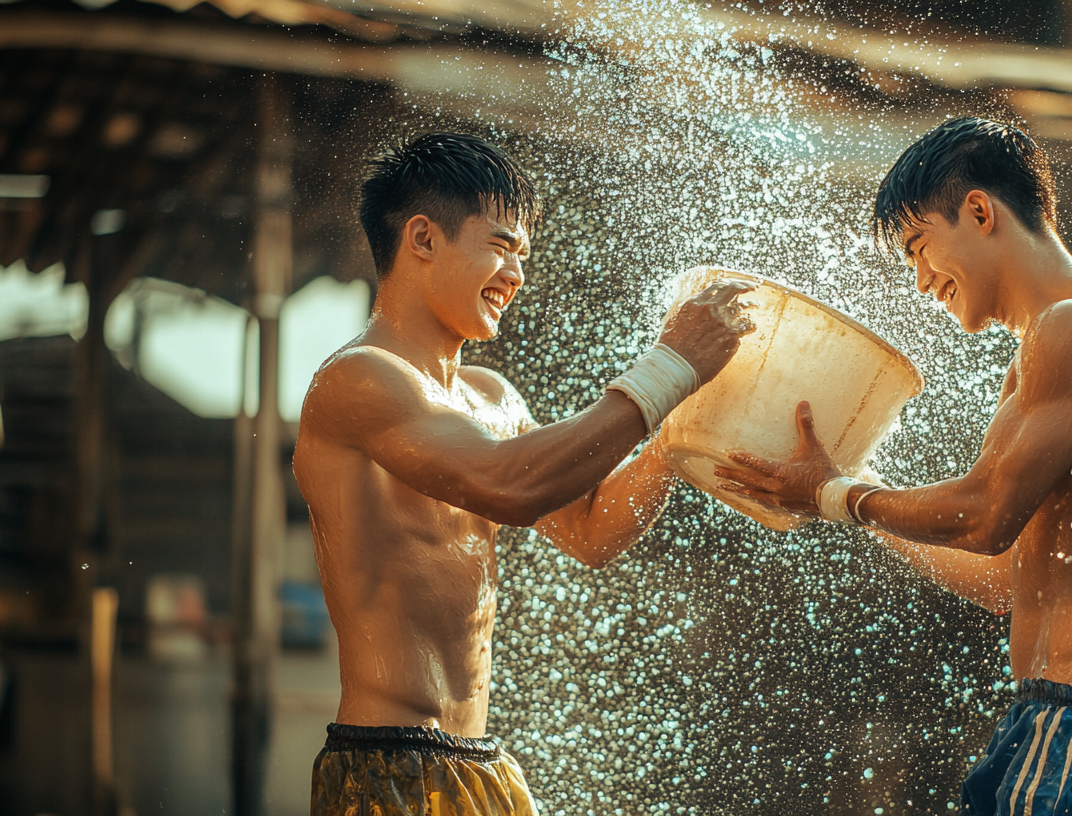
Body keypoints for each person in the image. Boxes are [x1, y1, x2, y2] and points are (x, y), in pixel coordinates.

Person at [716, 117, 1072, 815]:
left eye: (921, 248)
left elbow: (984, 517)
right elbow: (1003, 578)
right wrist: (851, 500)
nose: (921, 283)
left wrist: (837, 492)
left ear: (980, 211)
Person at [293, 132, 754, 816]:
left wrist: (679, 429)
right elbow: (509, 487)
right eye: (503, 247)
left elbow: (589, 530)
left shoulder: (492, 396)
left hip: (477, 759)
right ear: (423, 238)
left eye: (522, 257)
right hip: (386, 760)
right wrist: (670, 368)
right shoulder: (358, 378)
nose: (516, 276)